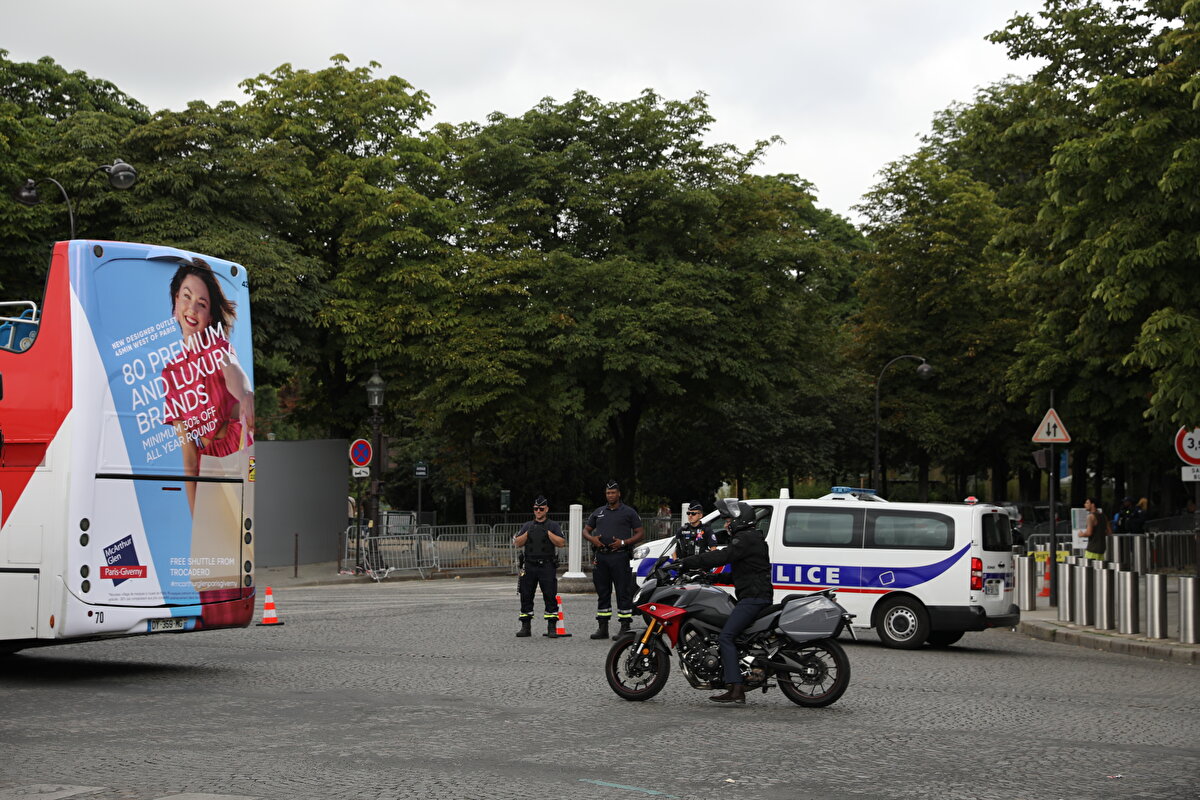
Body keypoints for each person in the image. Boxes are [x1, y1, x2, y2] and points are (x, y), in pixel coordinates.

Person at [162, 259, 255, 514]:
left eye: (201, 304)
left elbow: (235, 372)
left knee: (235, 541)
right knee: (211, 544)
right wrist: (195, 517)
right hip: (206, 464)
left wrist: (245, 393)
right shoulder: (171, 373)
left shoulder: (218, 349)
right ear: (175, 304)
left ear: (210, 315)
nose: (192, 309)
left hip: (234, 452)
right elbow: (189, 457)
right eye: (186, 297)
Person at [675, 498, 771, 705]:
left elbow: (721, 557)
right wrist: (711, 578)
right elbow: (741, 574)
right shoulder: (751, 538)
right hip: (753, 595)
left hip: (754, 599)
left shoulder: (745, 539)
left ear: (739, 519)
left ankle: (736, 688)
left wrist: (686, 563)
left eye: (728, 520)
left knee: (726, 637)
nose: (726, 524)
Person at [582, 480, 644, 640]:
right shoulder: (599, 512)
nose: (610, 495)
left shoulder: (629, 512)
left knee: (623, 592)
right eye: (608, 493)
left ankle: (625, 627)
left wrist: (624, 542)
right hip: (601, 556)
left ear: (619, 494)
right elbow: (586, 530)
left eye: (613, 493)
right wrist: (593, 539)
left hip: (620, 556)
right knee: (603, 593)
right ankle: (603, 627)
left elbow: (640, 533)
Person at [512, 495, 566, 638]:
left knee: (550, 595)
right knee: (526, 595)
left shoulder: (553, 525)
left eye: (541, 509)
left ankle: (551, 627)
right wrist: (529, 533)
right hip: (529, 565)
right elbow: (517, 543)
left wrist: (546, 533)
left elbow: (561, 542)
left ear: (546, 509)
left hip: (547, 565)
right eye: (536, 508)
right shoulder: (527, 525)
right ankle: (526, 626)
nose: (538, 511)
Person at [1082, 497, 1110, 561]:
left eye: (1087, 503)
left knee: (1089, 569)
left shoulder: (1090, 516)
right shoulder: (1104, 516)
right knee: (1100, 569)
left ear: (1093, 504)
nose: (1085, 504)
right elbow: (1109, 532)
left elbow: (1089, 533)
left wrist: (1081, 534)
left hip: (1092, 549)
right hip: (1101, 549)